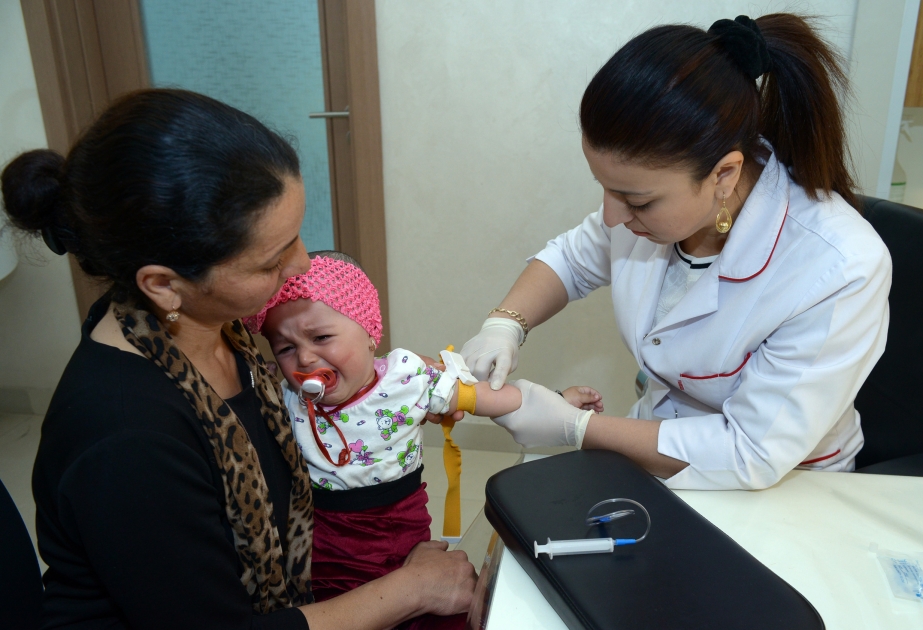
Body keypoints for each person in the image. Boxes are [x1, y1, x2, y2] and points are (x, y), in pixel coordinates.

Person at [1, 89, 475, 629]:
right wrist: (408, 590)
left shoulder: (226, 333)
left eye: (296, 238)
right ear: (165, 285)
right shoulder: (127, 437)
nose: (300, 266)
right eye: (272, 261)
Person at [460, 14, 892, 490]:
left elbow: (749, 451)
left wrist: (576, 428)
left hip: (792, 486)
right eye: (604, 188)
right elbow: (573, 258)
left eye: (637, 200)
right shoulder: (648, 209)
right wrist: (505, 324)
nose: (610, 216)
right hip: (657, 444)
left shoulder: (839, 266)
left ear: (724, 175)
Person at [243, 250, 602, 617]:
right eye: (286, 348)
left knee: (442, 611)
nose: (304, 359)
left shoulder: (408, 379)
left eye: (320, 337)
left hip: (401, 524)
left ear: (369, 332)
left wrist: (557, 403)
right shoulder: (282, 396)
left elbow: (482, 397)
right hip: (328, 541)